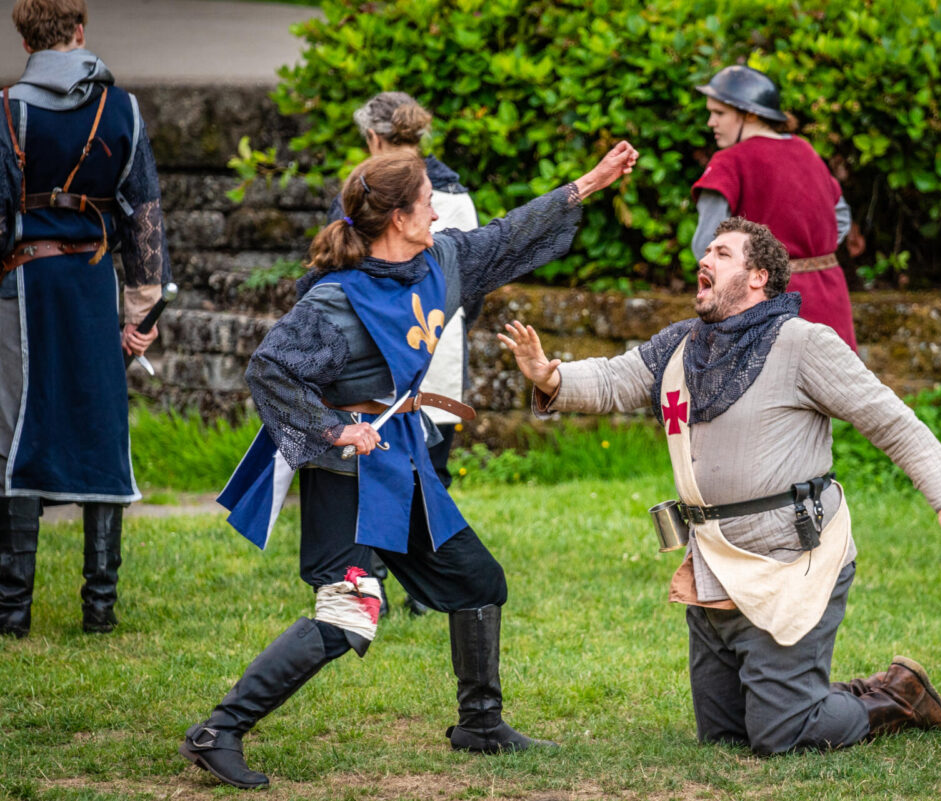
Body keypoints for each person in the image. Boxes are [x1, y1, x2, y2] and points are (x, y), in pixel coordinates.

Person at [180, 143, 638, 789]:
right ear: (398, 216)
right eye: (426, 201)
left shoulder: (442, 261)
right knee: (350, 610)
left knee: (478, 580)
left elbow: (508, 236)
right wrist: (335, 426)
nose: (436, 210)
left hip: (403, 463)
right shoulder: (336, 301)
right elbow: (272, 369)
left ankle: (480, 724)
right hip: (348, 476)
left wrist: (587, 184)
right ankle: (218, 730)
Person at [499, 217, 941, 754]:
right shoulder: (680, 345)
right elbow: (613, 379)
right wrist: (550, 377)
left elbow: (885, 416)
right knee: (722, 735)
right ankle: (800, 695)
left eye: (722, 253)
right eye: (707, 251)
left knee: (781, 735)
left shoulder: (804, 343)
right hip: (715, 559)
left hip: (791, 557)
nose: (705, 259)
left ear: (757, 277)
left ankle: (898, 696)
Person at [0, 0, 170, 637]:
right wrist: (141, 309)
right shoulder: (121, 108)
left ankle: (11, 613)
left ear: (25, 38)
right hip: (96, 284)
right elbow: (144, 213)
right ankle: (99, 610)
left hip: (22, 287)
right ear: (80, 30)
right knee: (101, 429)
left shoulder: (7, 109)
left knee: (15, 434)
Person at [334, 91, 481, 617]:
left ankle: (371, 577)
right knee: (430, 474)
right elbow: (475, 284)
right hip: (439, 348)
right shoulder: (457, 197)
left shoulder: (367, 191)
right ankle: (425, 586)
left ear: (375, 139)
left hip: (375, 353)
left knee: (371, 470)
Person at [691, 65, 858, 351]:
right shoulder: (805, 151)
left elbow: (706, 248)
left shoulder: (729, 162)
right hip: (829, 298)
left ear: (751, 114)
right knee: (834, 390)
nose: (710, 122)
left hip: (764, 306)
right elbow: (840, 216)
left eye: (719, 113)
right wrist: (810, 258)